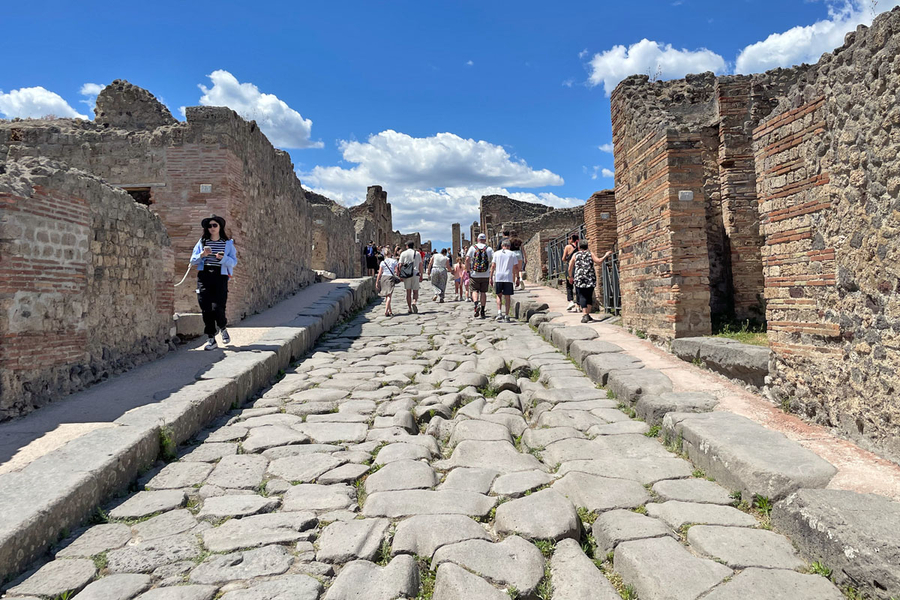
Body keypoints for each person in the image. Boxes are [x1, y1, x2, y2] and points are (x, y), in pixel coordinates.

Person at [190, 215, 237, 350]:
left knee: (218, 307)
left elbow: (233, 262)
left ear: (220, 227)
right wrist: (202, 255)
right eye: (209, 226)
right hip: (204, 275)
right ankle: (211, 338)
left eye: (214, 225)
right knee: (205, 307)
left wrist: (223, 259)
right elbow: (192, 260)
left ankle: (222, 327)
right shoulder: (202, 242)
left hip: (220, 276)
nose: (212, 228)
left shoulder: (227, 244)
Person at [567, 240, 612, 323]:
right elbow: (599, 261)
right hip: (590, 278)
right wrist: (606, 255)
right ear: (587, 247)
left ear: (579, 247)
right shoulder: (590, 254)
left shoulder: (575, 255)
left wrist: (570, 276)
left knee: (582, 296)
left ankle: (585, 315)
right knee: (589, 296)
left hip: (579, 278)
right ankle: (587, 315)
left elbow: (570, 267)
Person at [489, 238, 520, 322]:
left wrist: (490, 277)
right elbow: (516, 267)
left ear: (502, 245)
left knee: (498, 295)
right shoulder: (512, 254)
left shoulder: (496, 253)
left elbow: (493, 266)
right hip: (508, 277)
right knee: (507, 297)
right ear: (509, 246)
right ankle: (506, 315)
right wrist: (518, 278)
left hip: (498, 277)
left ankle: (499, 313)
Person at [466, 233, 494, 319]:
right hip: (485, 274)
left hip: (474, 274)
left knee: (474, 290)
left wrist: (468, 270)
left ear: (477, 239)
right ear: (485, 240)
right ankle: (482, 310)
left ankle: (476, 304)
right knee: (483, 292)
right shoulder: (489, 249)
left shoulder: (472, 248)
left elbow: (467, 259)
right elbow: (494, 260)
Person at [398, 241, 423, 313]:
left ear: (407, 246)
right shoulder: (417, 253)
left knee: (408, 292)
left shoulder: (403, 253)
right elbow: (420, 265)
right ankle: (414, 302)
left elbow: (400, 265)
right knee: (415, 291)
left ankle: (409, 308)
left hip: (407, 274)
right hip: (415, 273)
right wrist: (421, 274)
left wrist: (400, 274)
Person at [376, 245, 399, 316]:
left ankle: (390, 311)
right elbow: (396, 271)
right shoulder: (394, 261)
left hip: (383, 278)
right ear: (390, 253)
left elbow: (379, 273)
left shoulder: (382, 262)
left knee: (387, 295)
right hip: (390, 278)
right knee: (389, 295)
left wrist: (377, 282)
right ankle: (386, 311)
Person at [563, 233, 579, 312]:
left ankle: (571, 301)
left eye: (569, 238)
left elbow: (563, 258)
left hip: (570, 267)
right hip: (578, 268)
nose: (568, 240)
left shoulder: (568, 247)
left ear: (571, 239)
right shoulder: (579, 247)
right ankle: (579, 305)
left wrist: (568, 259)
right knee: (578, 286)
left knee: (569, 286)